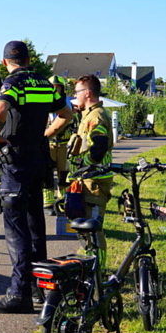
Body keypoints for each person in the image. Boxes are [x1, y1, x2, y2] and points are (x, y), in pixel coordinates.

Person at [0, 41, 72, 314]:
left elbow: (0, 112)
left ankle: (19, 293)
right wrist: (46, 135)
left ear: (5, 62)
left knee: (16, 227)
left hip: (16, 161)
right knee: (36, 223)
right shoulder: (45, 84)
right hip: (38, 158)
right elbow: (66, 114)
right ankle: (39, 287)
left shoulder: (13, 82)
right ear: (28, 59)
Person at [56, 74, 115, 260]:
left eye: (77, 92)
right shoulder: (88, 114)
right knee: (84, 228)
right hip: (87, 181)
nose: (75, 96)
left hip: (94, 182)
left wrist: (84, 165)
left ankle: (99, 270)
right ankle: (91, 264)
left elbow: (99, 146)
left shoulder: (95, 116)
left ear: (87, 93)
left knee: (93, 228)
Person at [42, 75, 76, 215]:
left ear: (63, 88)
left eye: (58, 87)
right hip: (48, 144)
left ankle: (63, 201)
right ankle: (48, 203)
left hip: (64, 145)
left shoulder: (69, 103)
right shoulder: (43, 101)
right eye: (53, 87)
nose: (55, 89)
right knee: (47, 174)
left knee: (64, 174)